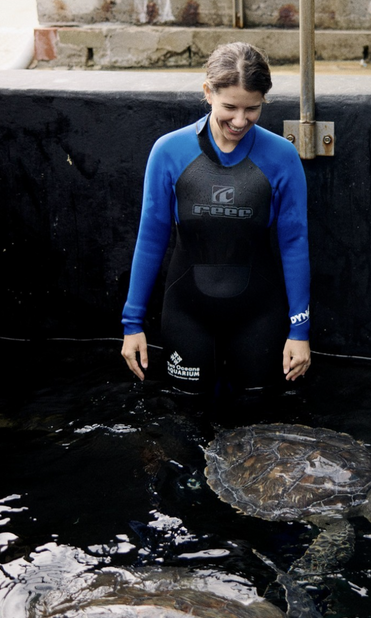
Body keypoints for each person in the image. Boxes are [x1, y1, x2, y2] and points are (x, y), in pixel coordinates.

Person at [121, 42, 311, 394]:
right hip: (187, 314)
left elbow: (294, 242)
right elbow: (151, 238)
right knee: (186, 417)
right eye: (230, 107)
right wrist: (132, 324)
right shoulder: (169, 151)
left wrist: (299, 330)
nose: (240, 121)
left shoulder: (282, 157)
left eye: (252, 109)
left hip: (260, 316)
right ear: (207, 92)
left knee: (261, 415)